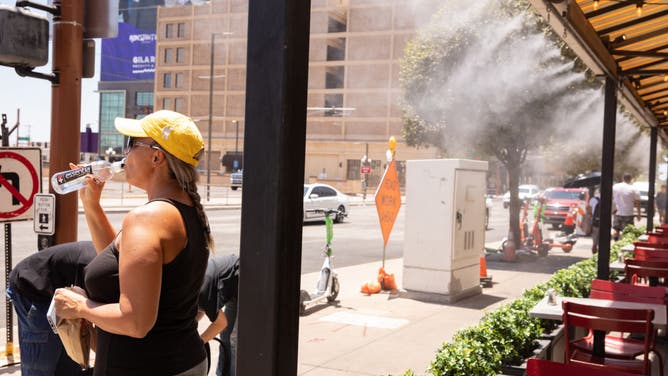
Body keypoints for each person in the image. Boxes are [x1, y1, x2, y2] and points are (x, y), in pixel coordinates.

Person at [53, 110, 213, 376]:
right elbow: (123, 267)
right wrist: (92, 205)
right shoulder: (185, 210)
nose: (124, 154)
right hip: (183, 360)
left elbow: (136, 322)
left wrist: (79, 307)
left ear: (156, 157)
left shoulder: (148, 218)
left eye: (131, 144)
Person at [6, 241, 97, 376]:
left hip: (61, 292)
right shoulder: (101, 271)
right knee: (41, 363)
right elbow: (97, 327)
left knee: (71, 355)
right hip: (33, 290)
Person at [198, 254, 239, 376]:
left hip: (247, 283)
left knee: (234, 338)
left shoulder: (201, 291)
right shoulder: (188, 290)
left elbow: (221, 323)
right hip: (232, 289)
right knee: (225, 336)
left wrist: (199, 343)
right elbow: (199, 311)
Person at [612, 173, 641, 241]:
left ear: (623, 178)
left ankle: (616, 242)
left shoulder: (615, 187)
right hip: (628, 213)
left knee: (616, 229)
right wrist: (639, 214)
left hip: (617, 212)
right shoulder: (634, 189)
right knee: (628, 232)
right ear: (630, 179)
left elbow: (610, 198)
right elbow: (638, 203)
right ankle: (624, 244)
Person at [588, 188, 600, 254]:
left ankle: (594, 249)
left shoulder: (593, 200)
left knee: (595, 237)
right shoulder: (608, 198)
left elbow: (589, 211)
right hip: (605, 222)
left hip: (595, 222)